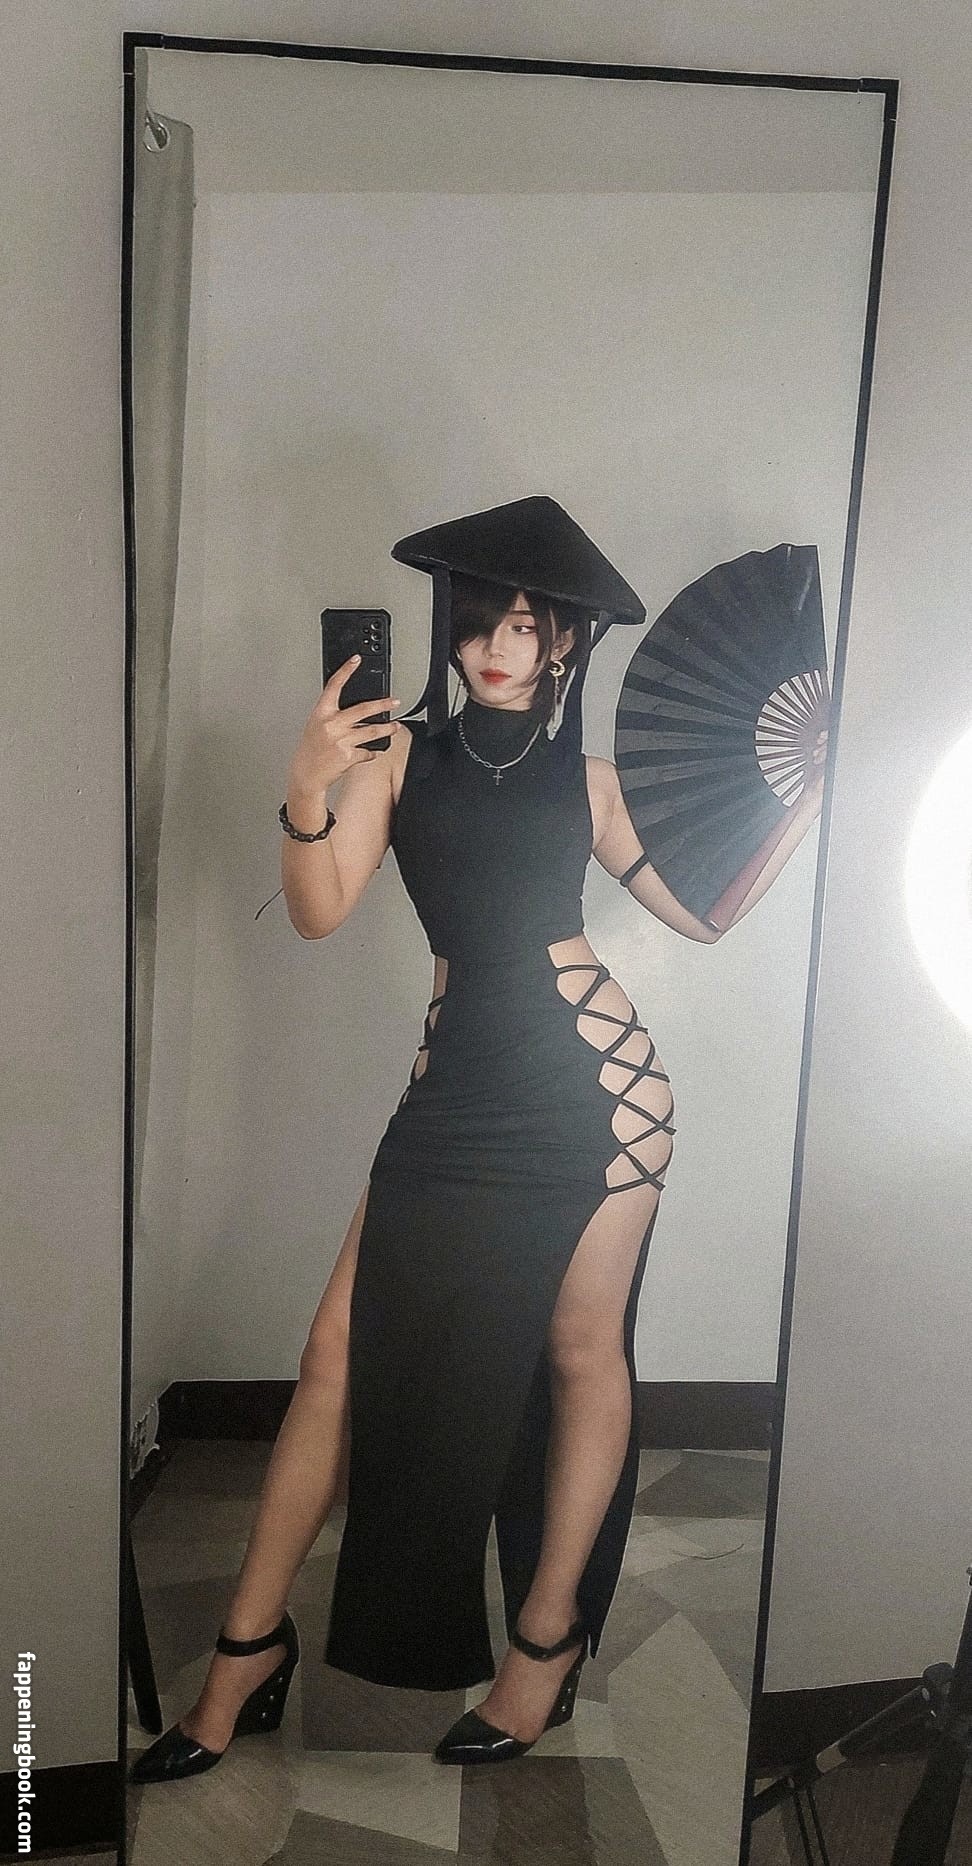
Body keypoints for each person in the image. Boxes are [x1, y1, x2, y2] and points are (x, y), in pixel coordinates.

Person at [130, 497, 825, 1783]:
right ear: (450, 632)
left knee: (578, 1350)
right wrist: (306, 787)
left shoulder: (590, 783)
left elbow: (708, 916)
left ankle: (544, 1645)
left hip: (598, 1098)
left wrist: (804, 796)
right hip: (455, 1099)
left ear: (565, 641)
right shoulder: (397, 758)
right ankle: (247, 1653)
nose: (500, 646)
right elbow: (319, 912)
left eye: (527, 624)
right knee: (335, 1355)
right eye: (479, 622)